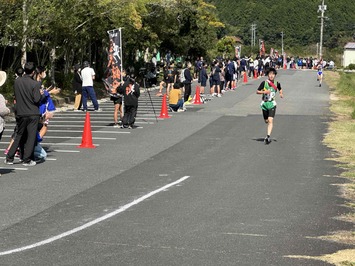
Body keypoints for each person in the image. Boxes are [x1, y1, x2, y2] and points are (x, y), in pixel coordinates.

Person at [5, 62, 43, 166]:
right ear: (34, 72)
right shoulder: (35, 84)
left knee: (18, 135)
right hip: (32, 113)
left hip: (21, 112)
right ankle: (27, 159)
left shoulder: (17, 82)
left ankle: (9, 157)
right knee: (31, 136)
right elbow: (36, 99)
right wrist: (40, 94)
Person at [256, 67, 284, 144]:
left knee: (270, 120)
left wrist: (281, 93)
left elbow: (280, 88)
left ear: (275, 75)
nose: (271, 76)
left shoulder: (277, 83)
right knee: (266, 120)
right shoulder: (264, 83)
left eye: (273, 74)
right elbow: (257, 91)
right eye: (270, 74)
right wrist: (264, 92)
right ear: (268, 75)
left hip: (272, 104)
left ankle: (268, 136)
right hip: (264, 104)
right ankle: (267, 124)